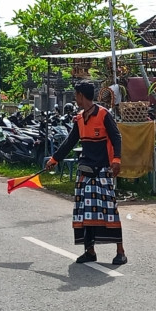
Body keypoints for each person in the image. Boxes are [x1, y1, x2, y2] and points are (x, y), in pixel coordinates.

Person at [46, 81, 127, 265]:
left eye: (76, 95)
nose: (76, 99)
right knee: (84, 213)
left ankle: (120, 251)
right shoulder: (80, 118)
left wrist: (116, 160)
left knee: (110, 210)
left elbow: (116, 137)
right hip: (85, 171)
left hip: (103, 170)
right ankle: (89, 251)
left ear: (81, 96)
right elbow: (70, 142)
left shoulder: (104, 114)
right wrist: (54, 159)